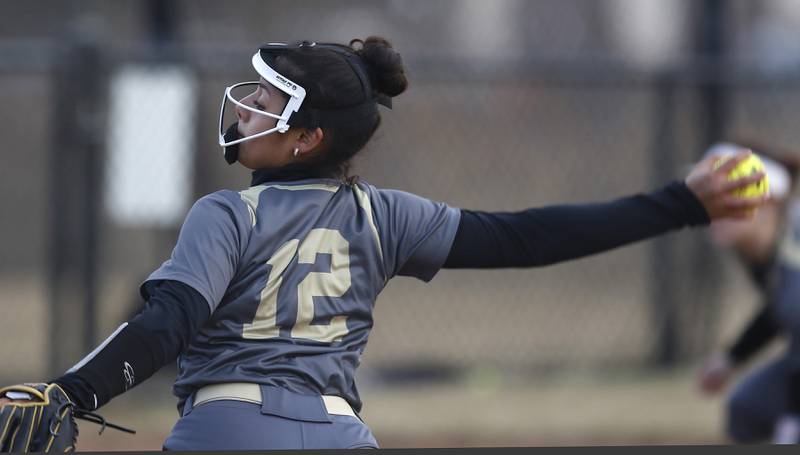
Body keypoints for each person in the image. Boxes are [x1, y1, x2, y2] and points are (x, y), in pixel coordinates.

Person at [0, 37, 768, 450]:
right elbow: (529, 237)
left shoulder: (224, 215)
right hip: (342, 432)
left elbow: (167, 324)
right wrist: (678, 204)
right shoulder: (385, 216)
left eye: (266, 100)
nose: (246, 105)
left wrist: (73, 391)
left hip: (225, 426)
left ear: (305, 138)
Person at [697, 142, 800, 445]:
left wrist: (794, 417)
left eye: (730, 197)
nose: (714, 208)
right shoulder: (765, 250)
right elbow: (783, 309)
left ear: (769, 202)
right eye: (711, 196)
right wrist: (733, 356)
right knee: (748, 408)